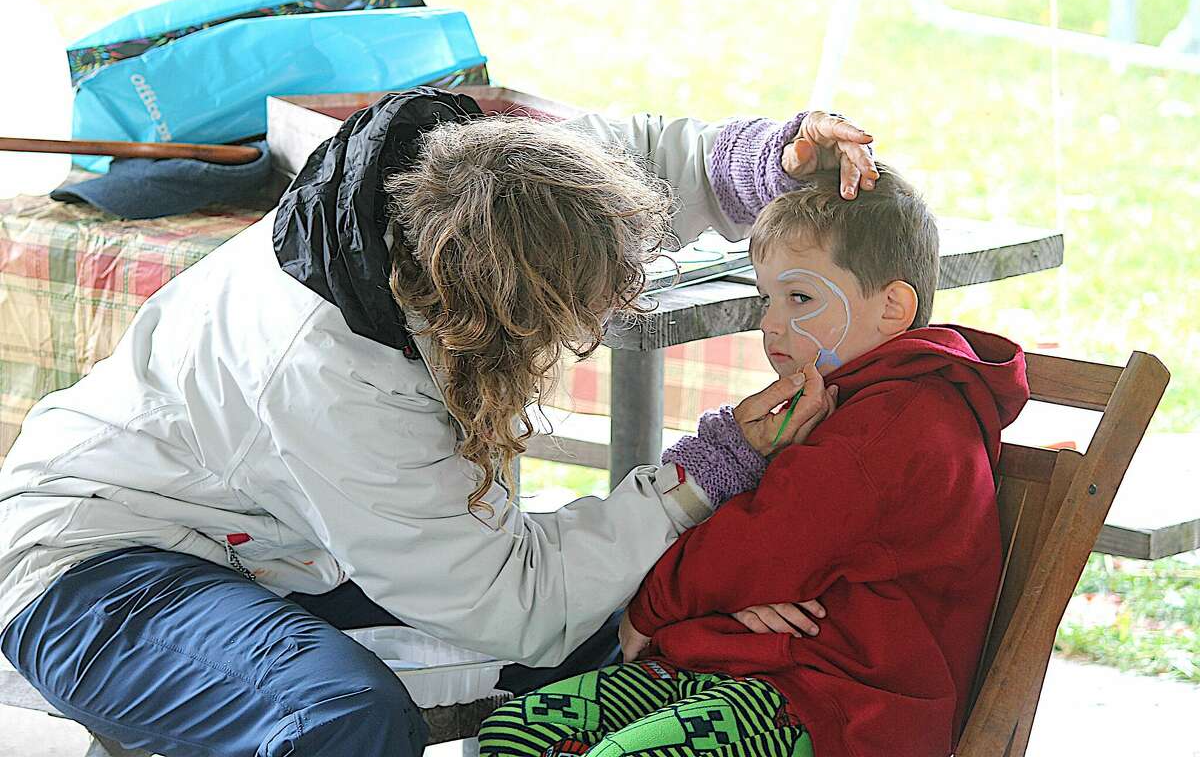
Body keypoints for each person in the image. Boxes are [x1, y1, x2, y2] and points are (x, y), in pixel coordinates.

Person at [0, 87, 879, 757]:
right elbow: (517, 603)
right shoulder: (336, 377)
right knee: (336, 719)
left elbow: (632, 162)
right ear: (490, 313)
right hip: (95, 563)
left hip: (274, 534)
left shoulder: (484, 173)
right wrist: (701, 476)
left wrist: (768, 161)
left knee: (630, 625)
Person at [477, 165, 1031, 757]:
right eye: (766, 298)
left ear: (893, 307)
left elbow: (761, 546)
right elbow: (764, 556)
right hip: (750, 668)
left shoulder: (894, 425)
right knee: (520, 729)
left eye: (799, 297)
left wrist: (651, 610)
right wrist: (733, 598)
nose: (769, 323)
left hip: (837, 708)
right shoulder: (843, 401)